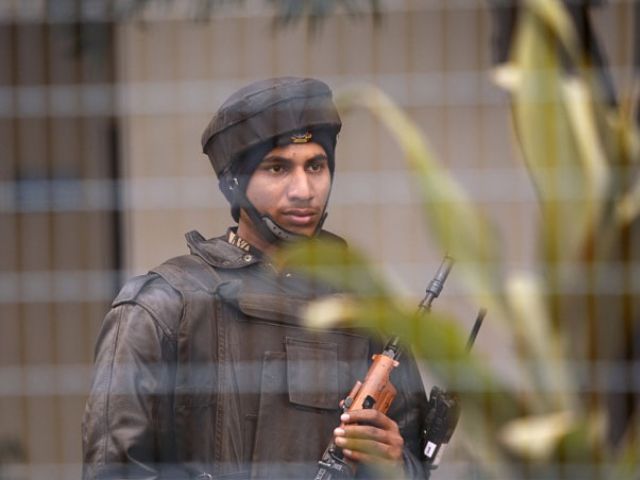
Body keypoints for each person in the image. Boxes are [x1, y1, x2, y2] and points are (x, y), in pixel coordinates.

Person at [82, 77, 431, 479]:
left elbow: (416, 465)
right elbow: (114, 470)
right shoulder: (162, 306)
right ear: (234, 184)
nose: (303, 189)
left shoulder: (366, 308)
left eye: (316, 165)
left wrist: (392, 463)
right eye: (277, 167)